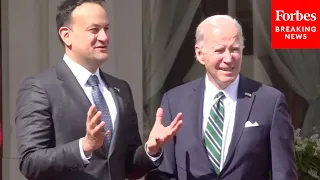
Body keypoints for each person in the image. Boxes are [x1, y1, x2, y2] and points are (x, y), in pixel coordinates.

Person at [14, 0, 182, 180]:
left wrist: (151, 149)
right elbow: (30, 162)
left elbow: (128, 166)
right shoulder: (40, 88)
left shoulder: (120, 89)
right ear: (66, 35)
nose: (104, 37)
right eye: (94, 30)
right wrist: (84, 146)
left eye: (106, 29)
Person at [146, 15, 298, 180]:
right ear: (200, 53)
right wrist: (154, 152)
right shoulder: (174, 101)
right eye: (219, 50)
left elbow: (284, 173)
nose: (228, 58)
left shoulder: (269, 101)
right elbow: (163, 173)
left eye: (235, 49)